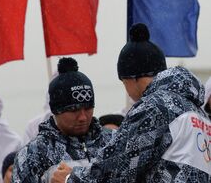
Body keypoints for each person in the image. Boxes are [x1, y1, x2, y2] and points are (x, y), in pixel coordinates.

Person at [50, 23, 211, 182]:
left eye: (123, 82)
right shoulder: (198, 113)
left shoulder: (156, 107)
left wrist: (71, 178)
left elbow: (119, 166)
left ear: (132, 79)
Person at [12, 57, 113, 183]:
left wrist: (72, 179)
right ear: (56, 110)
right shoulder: (33, 154)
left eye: (88, 108)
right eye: (73, 110)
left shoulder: (113, 142)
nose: (82, 117)